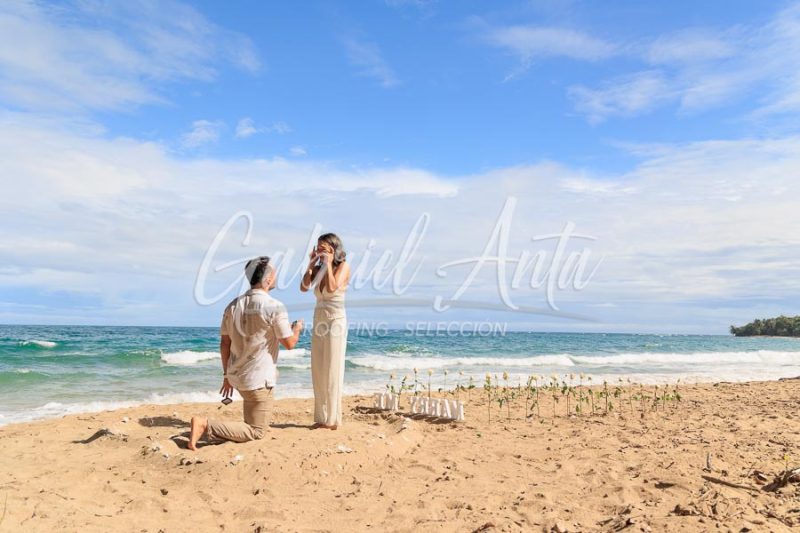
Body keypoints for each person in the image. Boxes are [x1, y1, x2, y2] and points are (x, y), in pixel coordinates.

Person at [189, 256, 303, 450]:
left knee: (250, 420)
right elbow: (290, 343)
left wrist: (226, 376)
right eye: (274, 275)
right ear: (267, 280)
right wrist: (297, 328)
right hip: (259, 381)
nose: (276, 278)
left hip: (238, 378)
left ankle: (223, 428)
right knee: (257, 432)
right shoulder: (274, 306)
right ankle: (205, 424)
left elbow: (225, 344)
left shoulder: (232, 306)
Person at [300, 233, 350, 430]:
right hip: (319, 320)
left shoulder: (343, 266)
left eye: (323, 247)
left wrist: (328, 264)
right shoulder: (318, 268)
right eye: (318, 247)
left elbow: (331, 287)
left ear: (333, 248)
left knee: (333, 368)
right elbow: (303, 287)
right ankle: (321, 417)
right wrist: (311, 265)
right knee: (318, 368)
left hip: (335, 321)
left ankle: (333, 419)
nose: (319, 250)